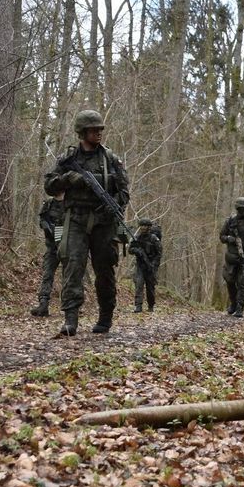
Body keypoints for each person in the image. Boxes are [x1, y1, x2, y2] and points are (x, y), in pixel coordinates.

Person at [43, 110, 130, 336]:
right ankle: (70, 320)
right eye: (94, 130)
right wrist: (69, 179)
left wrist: (113, 206)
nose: (99, 133)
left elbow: (124, 192)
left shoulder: (110, 159)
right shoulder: (69, 159)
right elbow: (50, 186)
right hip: (76, 219)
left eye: (101, 129)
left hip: (104, 222)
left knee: (104, 270)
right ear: (82, 132)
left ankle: (105, 317)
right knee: (72, 266)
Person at [219, 197, 244, 318]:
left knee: (242, 282)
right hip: (231, 256)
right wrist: (229, 239)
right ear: (237, 209)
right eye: (241, 209)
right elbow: (221, 236)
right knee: (230, 281)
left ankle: (240, 307)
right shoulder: (230, 221)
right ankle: (233, 303)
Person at [30, 196, 65, 317]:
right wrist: (47, 228)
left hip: (67, 247)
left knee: (70, 276)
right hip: (52, 247)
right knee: (47, 275)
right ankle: (43, 304)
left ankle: (70, 306)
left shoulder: (71, 204)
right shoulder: (49, 203)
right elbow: (42, 219)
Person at [130, 219, 162, 313]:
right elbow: (130, 249)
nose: (143, 227)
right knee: (139, 285)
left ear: (149, 227)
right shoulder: (137, 237)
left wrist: (154, 265)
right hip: (140, 265)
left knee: (150, 287)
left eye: (145, 226)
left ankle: (151, 306)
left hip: (151, 266)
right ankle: (138, 306)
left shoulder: (153, 238)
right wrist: (137, 251)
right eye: (142, 225)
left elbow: (159, 253)